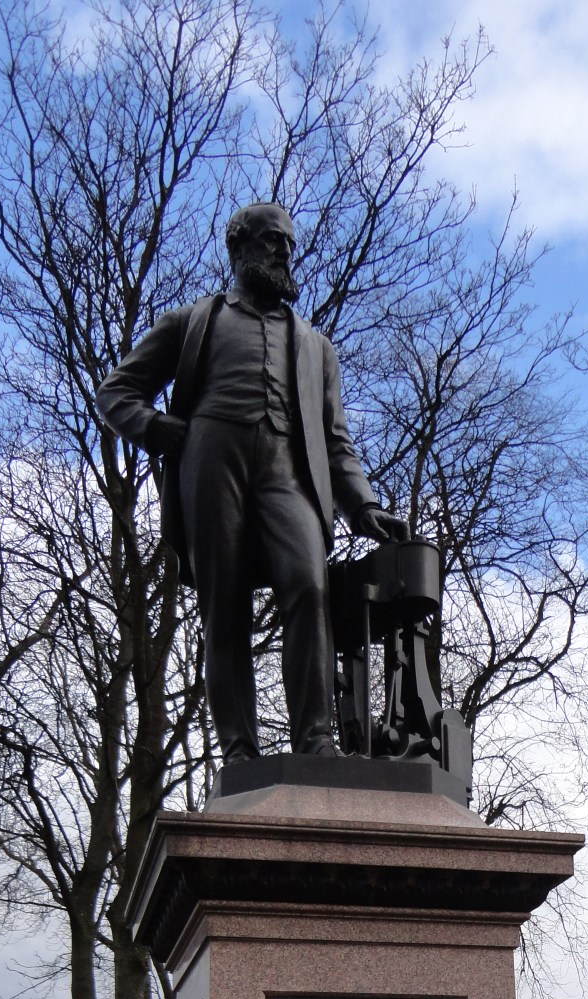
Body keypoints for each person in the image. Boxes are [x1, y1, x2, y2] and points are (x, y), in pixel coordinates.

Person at [95, 201, 406, 762]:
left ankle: (315, 740)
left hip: (288, 472)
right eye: (271, 240)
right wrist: (153, 427)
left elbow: (335, 440)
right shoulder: (192, 321)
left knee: (308, 585)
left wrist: (362, 506)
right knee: (225, 606)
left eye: (289, 244)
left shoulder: (315, 346)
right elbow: (116, 391)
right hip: (211, 463)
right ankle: (238, 750)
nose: (283, 251)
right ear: (238, 249)